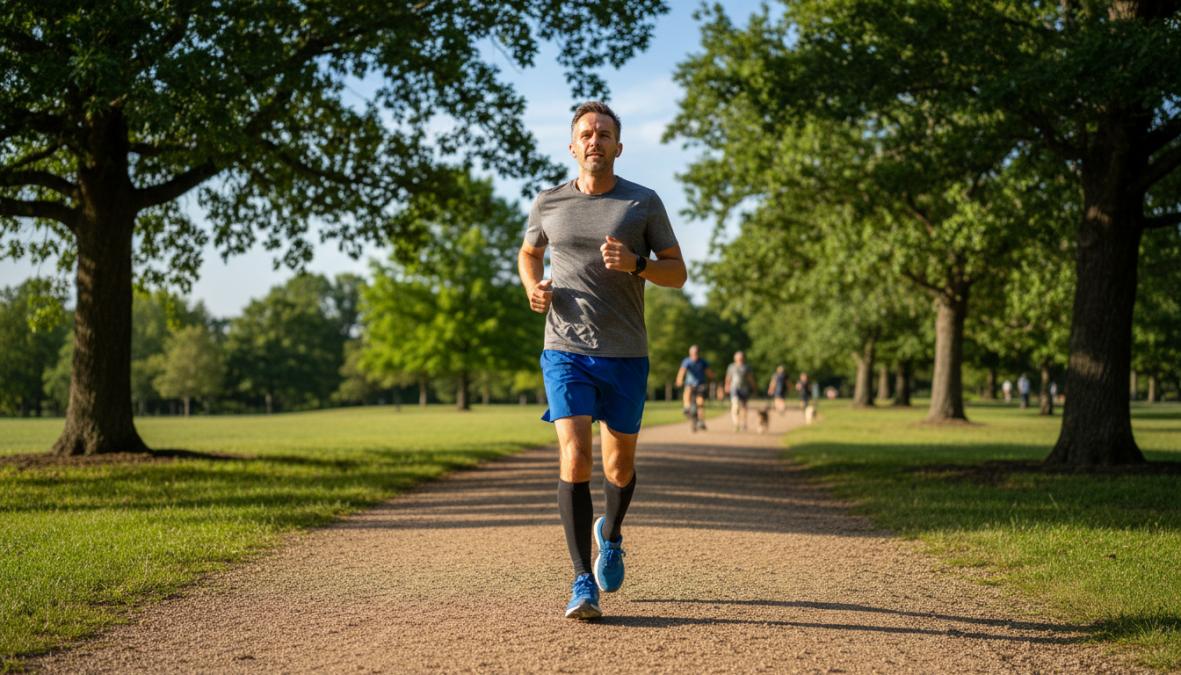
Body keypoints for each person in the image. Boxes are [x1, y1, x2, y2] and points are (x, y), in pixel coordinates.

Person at [517, 101, 686, 620]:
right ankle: (581, 580)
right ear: (572, 145)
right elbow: (529, 253)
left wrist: (636, 264)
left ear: (618, 146)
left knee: (618, 465)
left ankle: (609, 534)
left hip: (625, 352)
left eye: (604, 133)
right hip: (564, 347)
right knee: (575, 458)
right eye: (586, 133)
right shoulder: (548, 203)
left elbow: (677, 273)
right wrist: (533, 288)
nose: (594, 140)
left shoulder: (643, 203)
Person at [676, 344, 714, 431]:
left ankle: (701, 421)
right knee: (687, 390)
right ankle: (686, 408)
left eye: (696, 353)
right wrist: (679, 380)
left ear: (698, 353)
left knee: (700, 402)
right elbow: (682, 371)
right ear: (690, 353)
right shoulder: (687, 361)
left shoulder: (702, 362)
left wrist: (712, 376)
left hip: (700, 384)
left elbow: (708, 372)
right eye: (692, 353)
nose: (694, 354)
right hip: (690, 384)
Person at [724, 351, 758, 431]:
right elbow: (728, 377)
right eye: (738, 358)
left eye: (741, 358)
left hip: (744, 388)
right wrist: (727, 386)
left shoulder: (746, 367)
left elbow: (750, 378)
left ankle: (744, 423)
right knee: (735, 405)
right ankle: (736, 423)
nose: (740, 359)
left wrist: (754, 387)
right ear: (735, 358)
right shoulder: (731, 367)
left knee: (744, 407)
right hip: (734, 388)